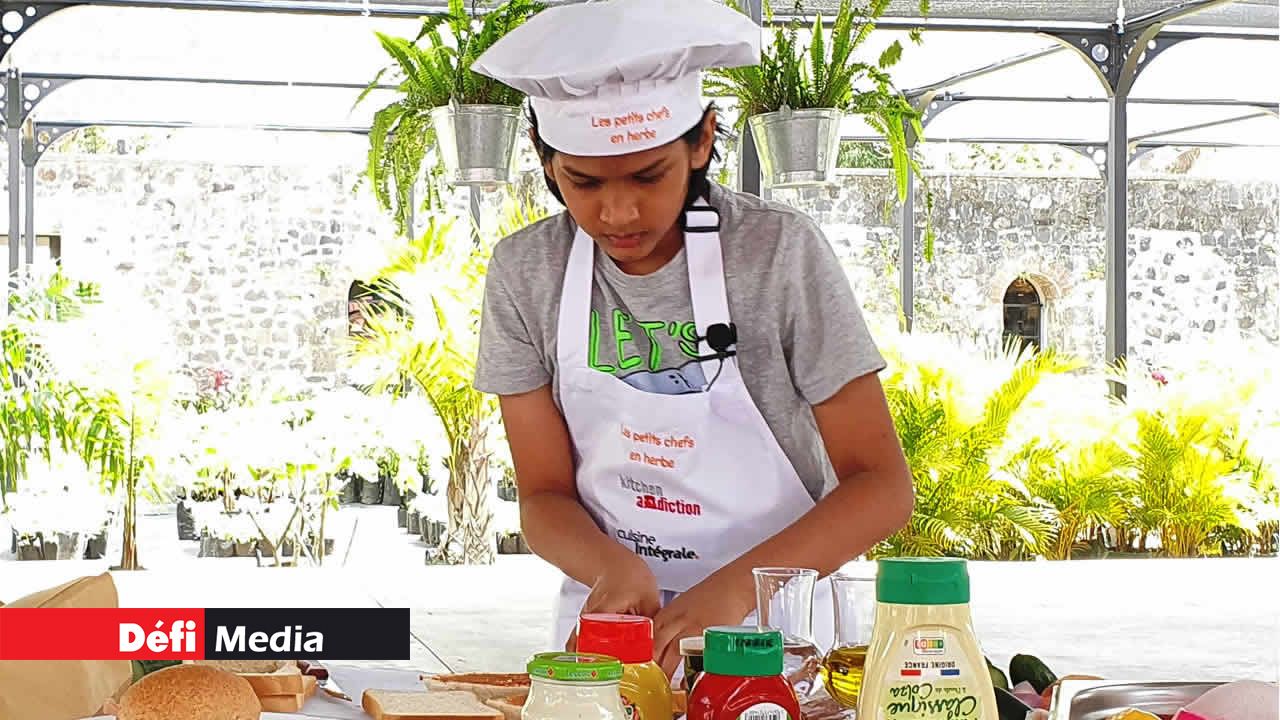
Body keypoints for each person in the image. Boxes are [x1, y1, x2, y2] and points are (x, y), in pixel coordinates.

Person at [470, 0, 914, 677]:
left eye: (649, 176)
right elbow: (543, 495)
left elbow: (882, 486)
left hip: (773, 634)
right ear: (544, 157)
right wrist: (610, 568)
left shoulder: (776, 254)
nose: (618, 213)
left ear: (702, 141)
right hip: (614, 628)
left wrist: (736, 592)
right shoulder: (526, 271)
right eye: (583, 182)